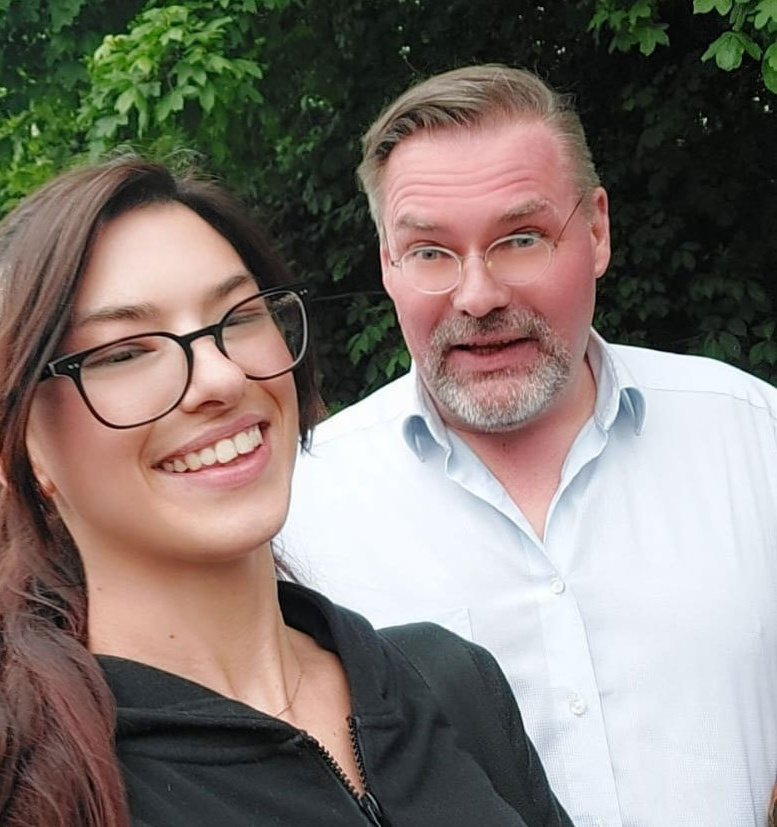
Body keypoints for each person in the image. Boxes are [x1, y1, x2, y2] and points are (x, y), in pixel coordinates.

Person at [0, 155, 573, 827]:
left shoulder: (448, 684)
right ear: (12, 448)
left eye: (239, 317)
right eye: (124, 352)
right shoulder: (15, 806)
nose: (221, 377)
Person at [281, 65, 777, 827]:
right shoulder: (301, 510)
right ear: (386, 263)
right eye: (429, 251)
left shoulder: (753, 437)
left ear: (596, 231)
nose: (478, 295)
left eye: (519, 239)